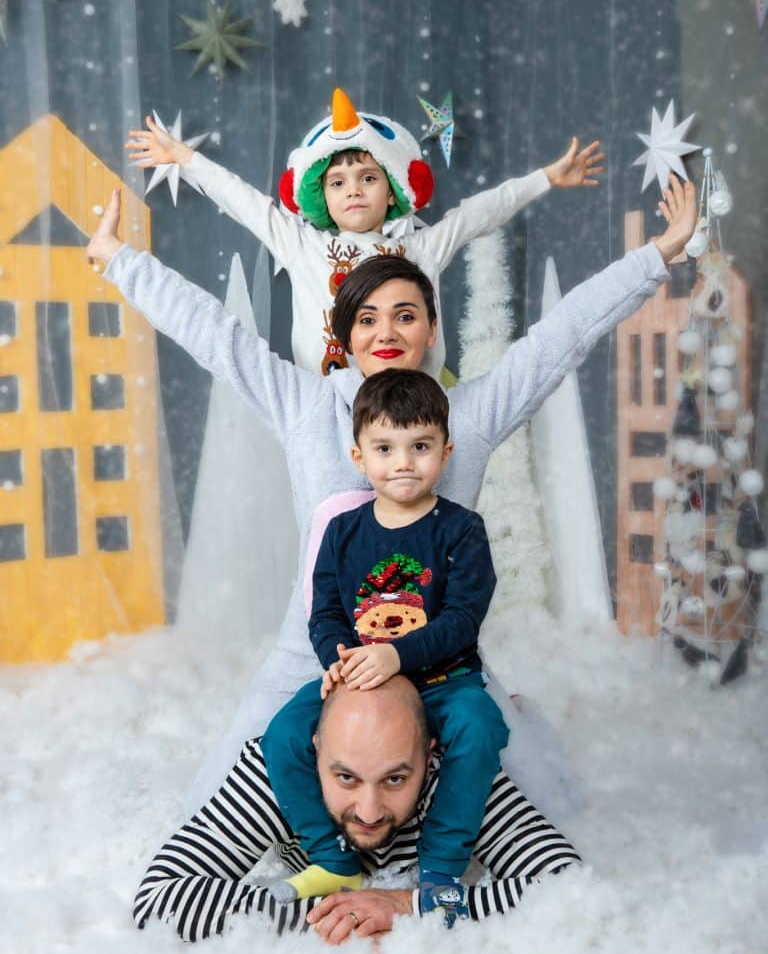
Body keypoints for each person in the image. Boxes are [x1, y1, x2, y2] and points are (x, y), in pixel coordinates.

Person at [86, 171, 696, 813]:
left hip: (438, 655)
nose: (387, 332)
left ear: (431, 330)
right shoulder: (305, 405)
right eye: (368, 319)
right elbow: (217, 336)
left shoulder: (471, 414)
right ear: (344, 336)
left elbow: (558, 341)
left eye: (406, 316)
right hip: (317, 651)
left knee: (528, 810)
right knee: (229, 804)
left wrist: (655, 257)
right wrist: (120, 261)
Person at [125, 87, 604, 378]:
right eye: (338, 182)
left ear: (393, 190)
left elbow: (480, 212)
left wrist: (544, 178)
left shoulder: (420, 246)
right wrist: (185, 159)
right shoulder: (303, 244)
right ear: (321, 196)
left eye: (368, 177)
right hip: (331, 407)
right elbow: (242, 200)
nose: (353, 190)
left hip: (413, 411)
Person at [259, 368, 509, 924]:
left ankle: (441, 865)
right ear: (359, 456)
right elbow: (322, 612)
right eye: (385, 447)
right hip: (359, 682)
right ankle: (333, 857)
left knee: (480, 726)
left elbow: (464, 617)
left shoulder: (461, 530)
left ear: (445, 453)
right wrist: (339, 665)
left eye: (419, 446)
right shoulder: (342, 531)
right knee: (282, 735)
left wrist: (397, 656)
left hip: (444, 680)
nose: (403, 462)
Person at [132, 676, 582, 943]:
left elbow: (567, 888)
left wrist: (414, 906)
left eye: (395, 779)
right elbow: (157, 900)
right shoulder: (277, 773)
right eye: (346, 777)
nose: (369, 810)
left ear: (429, 756)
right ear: (316, 752)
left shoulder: (456, 774)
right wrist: (341, 915)